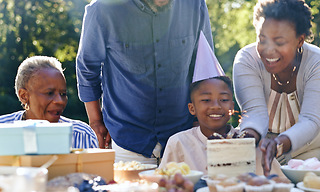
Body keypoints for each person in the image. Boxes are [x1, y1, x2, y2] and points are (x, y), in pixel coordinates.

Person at [76, 0, 213, 164]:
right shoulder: (103, 9)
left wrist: (200, 121)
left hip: (183, 137)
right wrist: (95, 120)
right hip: (127, 140)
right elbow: (87, 68)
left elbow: (204, 65)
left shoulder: (194, 4)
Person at [233, 0, 320, 175]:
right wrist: (245, 141)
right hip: (262, 146)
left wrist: (279, 144)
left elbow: (310, 121)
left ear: (300, 40)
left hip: (309, 149)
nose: (268, 50)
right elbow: (254, 113)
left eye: (279, 42)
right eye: (262, 39)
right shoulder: (246, 60)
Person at [160, 33, 283, 176]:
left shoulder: (248, 142)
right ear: (192, 108)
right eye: (206, 100)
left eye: (224, 100)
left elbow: (277, 181)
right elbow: (165, 182)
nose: (216, 106)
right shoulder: (179, 143)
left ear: (231, 107)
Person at [0, 56, 98, 149]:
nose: (59, 101)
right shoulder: (2, 130)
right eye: (49, 93)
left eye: (63, 94)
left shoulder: (83, 136)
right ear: (24, 96)